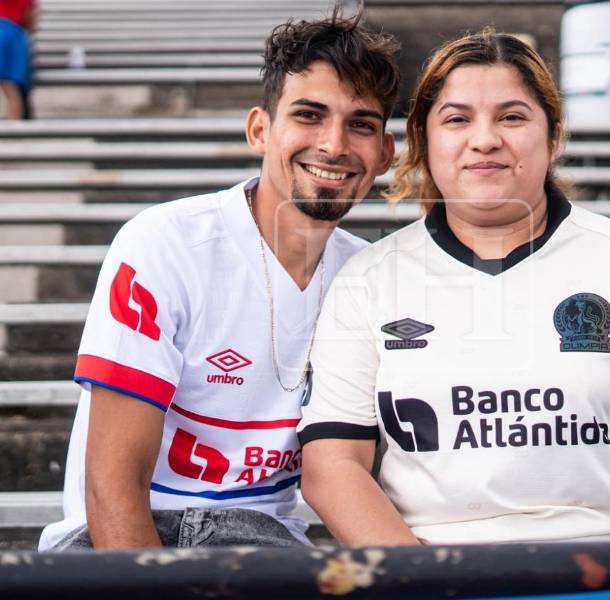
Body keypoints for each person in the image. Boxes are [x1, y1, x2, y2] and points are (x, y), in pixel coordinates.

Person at [297, 29, 610, 545]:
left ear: (554, 135)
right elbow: (332, 466)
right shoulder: (368, 279)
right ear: (424, 142)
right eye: (457, 119)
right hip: (437, 573)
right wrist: (423, 580)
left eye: (512, 117)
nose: (485, 138)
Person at [38, 12, 399, 550]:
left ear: (385, 154)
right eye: (309, 114)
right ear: (260, 129)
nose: (334, 144)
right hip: (120, 537)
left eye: (361, 124)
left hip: (263, 541)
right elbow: (111, 486)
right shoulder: (166, 242)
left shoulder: (372, 274)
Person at [0, 0, 36, 119]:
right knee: (11, 87)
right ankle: (14, 129)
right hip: (12, 32)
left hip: (7, 31)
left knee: (9, 86)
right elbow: (31, 24)